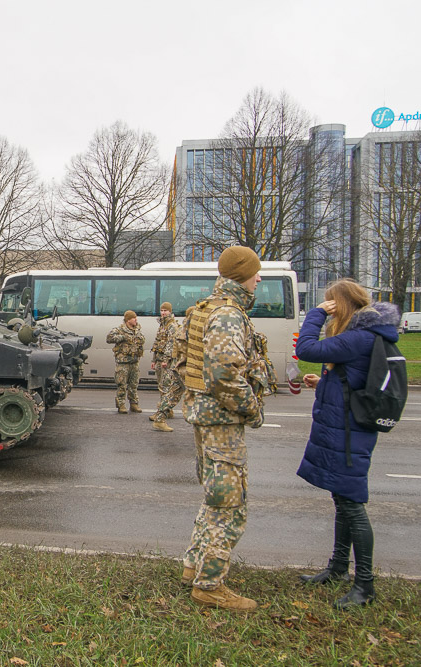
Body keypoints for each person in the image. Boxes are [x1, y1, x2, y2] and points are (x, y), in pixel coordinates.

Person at [295, 279, 400, 609]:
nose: (329, 310)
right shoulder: (364, 336)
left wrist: (314, 313)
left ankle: (365, 585)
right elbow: (352, 376)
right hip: (346, 427)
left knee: (352, 503)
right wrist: (324, 380)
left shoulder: (358, 336)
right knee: (342, 498)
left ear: (342, 305)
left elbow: (307, 349)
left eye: (331, 304)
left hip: (349, 432)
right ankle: (338, 568)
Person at [180, 246, 265, 611]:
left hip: (206, 414)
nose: (260, 279)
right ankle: (210, 585)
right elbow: (225, 375)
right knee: (230, 504)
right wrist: (253, 409)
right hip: (222, 418)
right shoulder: (228, 315)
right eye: (256, 273)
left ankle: (193, 565)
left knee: (214, 497)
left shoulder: (207, 308)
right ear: (242, 275)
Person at [149, 302, 183, 432]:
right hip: (160, 360)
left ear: (170, 311)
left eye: (165, 311)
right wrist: (154, 359)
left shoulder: (172, 326)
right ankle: (164, 412)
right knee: (163, 386)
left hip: (166, 361)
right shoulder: (162, 325)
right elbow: (157, 343)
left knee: (167, 387)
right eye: (162, 310)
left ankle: (162, 413)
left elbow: (171, 344)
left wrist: (166, 359)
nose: (163, 313)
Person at [106, 310, 144, 414]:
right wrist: (122, 337)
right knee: (121, 384)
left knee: (134, 384)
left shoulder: (137, 330)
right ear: (128, 320)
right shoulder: (119, 329)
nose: (136, 319)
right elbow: (109, 338)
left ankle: (134, 404)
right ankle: (121, 404)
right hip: (123, 362)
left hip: (134, 361)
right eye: (133, 318)